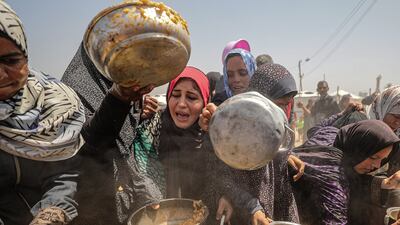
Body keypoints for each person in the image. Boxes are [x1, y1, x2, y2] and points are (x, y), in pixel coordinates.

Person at [0, 2, 85, 224]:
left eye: (10, 60)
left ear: (25, 57)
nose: (0, 75)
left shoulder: (55, 106)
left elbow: (63, 174)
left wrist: (52, 210)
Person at [61, 40, 157, 224]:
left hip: (121, 201)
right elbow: (89, 145)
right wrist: (118, 98)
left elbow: (123, 148)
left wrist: (142, 188)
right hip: (89, 207)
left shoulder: (121, 85)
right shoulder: (69, 93)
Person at [133, 66, 233, 224]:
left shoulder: (212, 134)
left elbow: (224, 176)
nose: (181, 104)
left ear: (204, 103)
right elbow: (137, 171)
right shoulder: (151, 129)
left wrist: (216, 133)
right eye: (176, 95)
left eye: (191, 97)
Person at [333, 120, 400, 225]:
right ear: (356, 149)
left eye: (382, 160)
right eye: (373, 157)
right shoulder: (327, 180)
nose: (377, 165)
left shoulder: (347, 172)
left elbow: (356, 183)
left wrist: (388, 183)